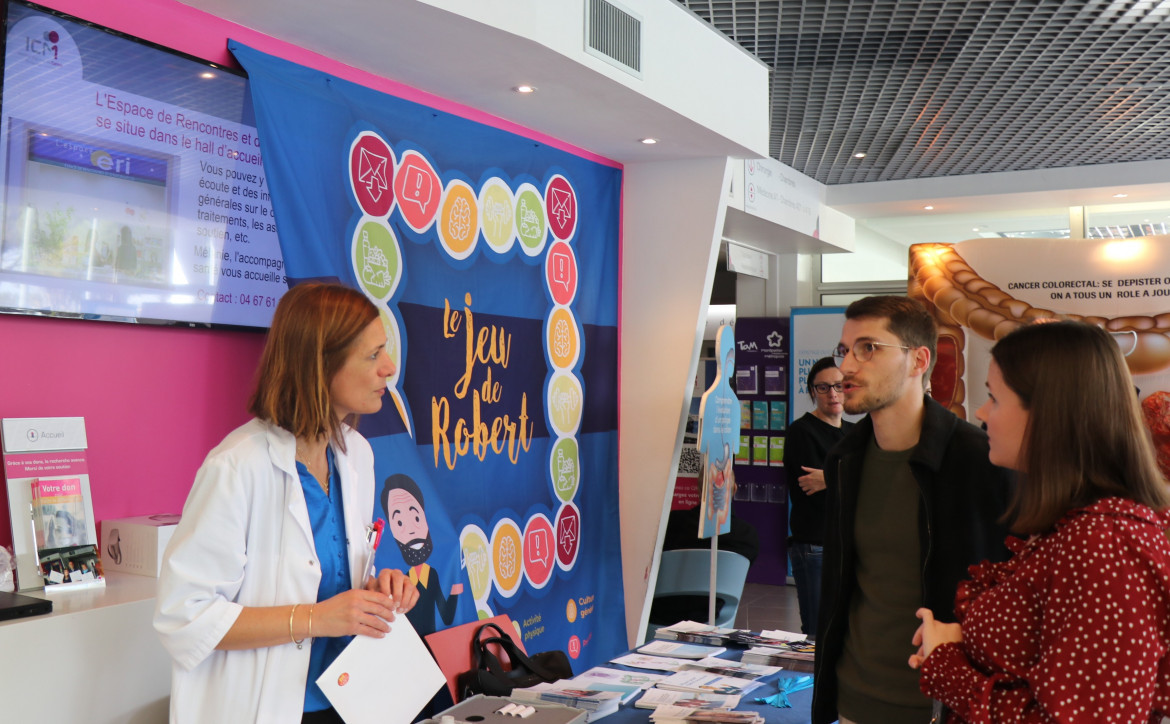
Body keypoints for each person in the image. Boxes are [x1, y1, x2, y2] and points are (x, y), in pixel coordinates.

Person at [154, 282, 420, 723]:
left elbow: (329, 577)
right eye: (373, 356)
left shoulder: (357, 455)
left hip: (349, 698)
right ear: (321, 366)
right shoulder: (236, 468)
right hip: (267, 707)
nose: (389, 368)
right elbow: (184, 616)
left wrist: (376, 590)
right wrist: (316, 619)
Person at [909, 320, 1170, 721]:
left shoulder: (1102, 543)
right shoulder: (1079, 525)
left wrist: (947, 664)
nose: (981, 412)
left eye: (994, 398)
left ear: (1049, 413)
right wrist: (964, 642)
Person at [811, 295, 1014, 724]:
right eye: (845, 350)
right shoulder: (846, 459)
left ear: (919, 360)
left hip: (945, 706)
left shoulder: (982, 460)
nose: (847, 367)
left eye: (868, 348)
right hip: (855, 699)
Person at [783, 356, 852, 638]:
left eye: (838, 386)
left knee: (845, 629)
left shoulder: (854, 432)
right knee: (817, 631)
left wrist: (832, 478)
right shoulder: (802, 431)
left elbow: (872, 485)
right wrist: (850, 478)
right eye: (823, 388)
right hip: (815, 546)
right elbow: (811, 488)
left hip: (848, 544)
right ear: (812, 391)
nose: (832, 394)